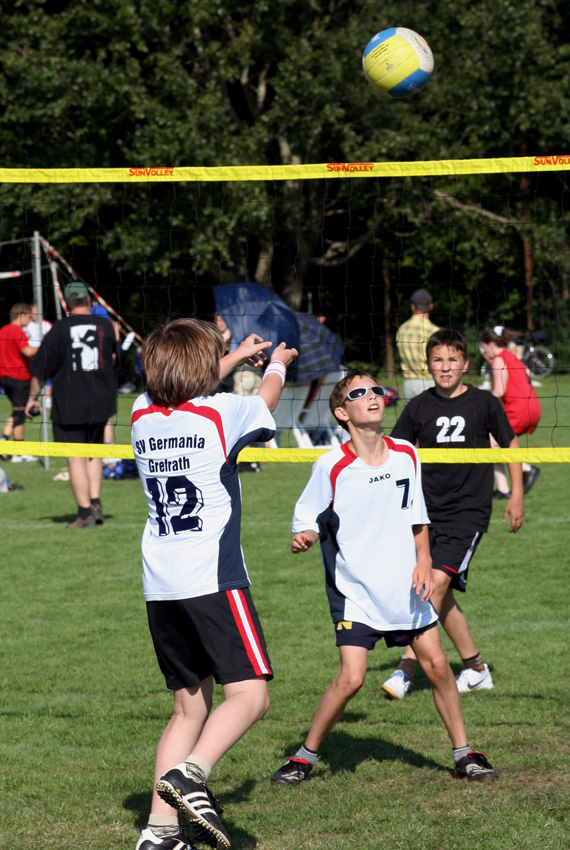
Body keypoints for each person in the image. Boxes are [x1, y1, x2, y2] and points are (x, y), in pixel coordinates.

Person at [270, 370, 498, 788]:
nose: (372, 396)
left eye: (376, 389)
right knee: (351, 678)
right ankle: (304, 756)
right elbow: (306, 517)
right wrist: (304, 535)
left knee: (438, 668)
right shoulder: (331, 465)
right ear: (342, 412)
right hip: (354, 589)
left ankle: (465, 753)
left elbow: (417, 515)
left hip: (403, 585)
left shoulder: (406, 453)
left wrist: (424, 560)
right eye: (359, 393)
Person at [131, 318, 298, 850]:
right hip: (214, 577)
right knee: (250, 696)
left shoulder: (138, 414)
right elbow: (266, 400)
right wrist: (274, 364)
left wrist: (227, 357)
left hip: (161, 582)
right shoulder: (225, 412)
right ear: (203, 371)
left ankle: (158, 832)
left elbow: (180, 385)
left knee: (189, 706)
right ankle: (192, 774)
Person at [381, 329, 524, 701]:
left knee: (435, 586)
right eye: (438, 360)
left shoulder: (484, 402)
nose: (445, 368)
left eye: (452, 360)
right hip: (426, 513)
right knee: (436, 593)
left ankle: (405, 667)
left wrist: (517, 495)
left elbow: (510, 443)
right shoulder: (418, 406)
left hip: (468, 512)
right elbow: (396, 452)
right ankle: (476, 669)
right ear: (428, 364)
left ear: (465, 363)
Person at [25, 282, 119, 528]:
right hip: (101, 400)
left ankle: (85, 513)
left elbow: (40, 369)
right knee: (94, 453)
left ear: (66, 302)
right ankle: (96, 504)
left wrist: (32, 399)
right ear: (88, 300)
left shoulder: (59, 328)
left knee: (75, 458)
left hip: (70, 401)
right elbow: (113, 356)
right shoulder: (105, 325)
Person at [480, 327, 542, 497]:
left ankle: (527, 469)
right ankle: (502, 489)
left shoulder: (498, 360)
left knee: (490, 443)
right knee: (494, 441)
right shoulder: (511, 356)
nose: (483, 351)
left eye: (483, 347)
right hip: (532, 408)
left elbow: (499, 391)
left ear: (490, 344)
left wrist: (480, 404)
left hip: (519, 410)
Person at [0, 303, 39, 461]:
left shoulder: (2, 330)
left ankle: (4, 440)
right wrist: (46, 347)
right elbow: (27, 351)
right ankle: (19, 451)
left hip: (4, 377)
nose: (31, 321)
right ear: (21, 316)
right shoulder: (17, 331)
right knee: (21, 414)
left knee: (17, 411)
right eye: (29, 317)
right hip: (19, 378)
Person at [396, 288, 439, 403]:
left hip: (409, 384)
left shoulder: (402, 329)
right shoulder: (435, 332)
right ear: (431, 307)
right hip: (429, 382)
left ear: (413, 307)